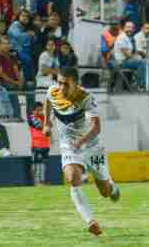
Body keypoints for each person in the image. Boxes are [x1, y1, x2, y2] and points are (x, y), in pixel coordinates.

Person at [43, 67, 120, 236]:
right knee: (72, 177)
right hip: (69, 145)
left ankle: (112, 187)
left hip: (92, 147)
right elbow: (48, 101)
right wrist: (46, 123)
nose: (61, 87)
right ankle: (91, 221)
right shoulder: (53, 91)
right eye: (59, 83)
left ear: (75, 84)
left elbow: (96, 127)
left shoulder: (87, 97)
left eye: (66, 84)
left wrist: (82, 141)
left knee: (105, 191)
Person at [27, 102, 51, 185]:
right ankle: (36, 181)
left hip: (46, 144)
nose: (40, 112)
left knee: (43, 164)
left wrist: (45, 120)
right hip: (36, 145)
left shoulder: (44, 117)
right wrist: (45, 123)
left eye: (41, 110)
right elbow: (39, 127)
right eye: (38, 110)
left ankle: (42, 180)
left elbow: (49, 128)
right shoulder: (31, 117)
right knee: (36, 163)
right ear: (33, 111)